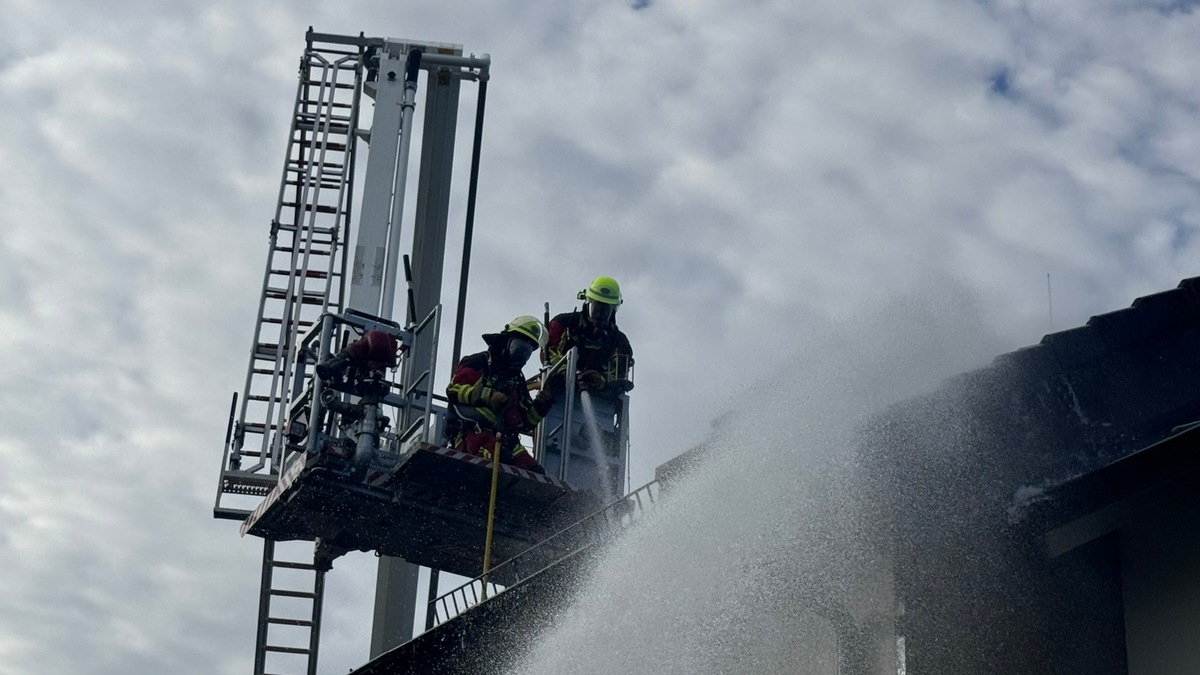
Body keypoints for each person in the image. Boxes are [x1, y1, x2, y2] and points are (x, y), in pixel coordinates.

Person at [445, 316, 555, 474]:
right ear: (505, 342)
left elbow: (525, 423)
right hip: (472, 432)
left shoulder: (517, 381)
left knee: (535, 473)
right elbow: (453, 390)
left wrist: (543, 403)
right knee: (491, 458)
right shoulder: (480, 361)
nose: (521, 356)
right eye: (518, 348)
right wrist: (488, 396)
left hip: (507, 440)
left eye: (526, 352)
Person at [543, 275, 634, 393]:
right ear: (587, 304)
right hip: (559, 388)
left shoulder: (619, 341)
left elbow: (619, 374)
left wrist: (601, 381)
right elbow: (547, 353)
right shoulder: (563, 324)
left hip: (598, 396)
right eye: (596, 309)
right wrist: (567, 372)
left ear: (612, 312)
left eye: (605, 312)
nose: (599, 316)